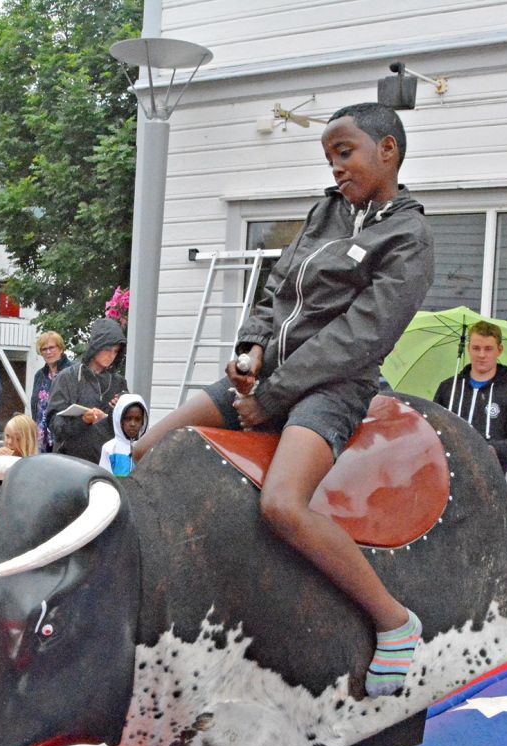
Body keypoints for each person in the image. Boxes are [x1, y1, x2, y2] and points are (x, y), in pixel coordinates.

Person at [133, 103, 434, 698]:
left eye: (345, 153)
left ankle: (393, 621)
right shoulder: (326, 211)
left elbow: (360, 336)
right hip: (270, 373)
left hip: (334, 386)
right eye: (330, 157)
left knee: (283, 506)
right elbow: (279, 287)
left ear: (388, 151)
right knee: (147, 449)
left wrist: (272, 397)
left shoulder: (409, 237)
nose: (337, 167)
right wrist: (250, 350)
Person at [434, 321, 507, 465]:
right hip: (448, 474)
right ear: (468, 348)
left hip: (489, 477)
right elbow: (432, 429)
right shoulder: (448, 388)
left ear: (500, 350)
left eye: (488, 349)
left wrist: (488, 449)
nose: (482, 354)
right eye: (476, 348)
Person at [47, 318, 128, 462]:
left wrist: (121, 410)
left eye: (115, 351)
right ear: (97, 346)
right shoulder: (68, 378)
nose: (111, 355)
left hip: (108, 462)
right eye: (107, 349)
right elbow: (54, 424)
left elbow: (129, 428)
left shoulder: (119, 383)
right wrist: (82, 420)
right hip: (72, 463)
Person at [0, 413, 38, 505]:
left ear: (28, 441)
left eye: (17, 439)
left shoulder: (35, 465)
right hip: (1, 515)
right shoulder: (2, 460)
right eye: (7, 436)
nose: (9, 442)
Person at [30, 331, 71, 452]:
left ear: (61, 348)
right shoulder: (39, 375)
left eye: (51, 348)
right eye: (44, 349)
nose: (48, 352)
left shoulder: (71, 371)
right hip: (41, 436)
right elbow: (35, 406)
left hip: (63, 434)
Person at [99, 394, 147, 477]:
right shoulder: (109, 448)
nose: (132, 424)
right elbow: (105, 480)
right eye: (128, 418)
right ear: (120, 420)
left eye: (137, 419)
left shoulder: (148, 448)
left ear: (143, 422)